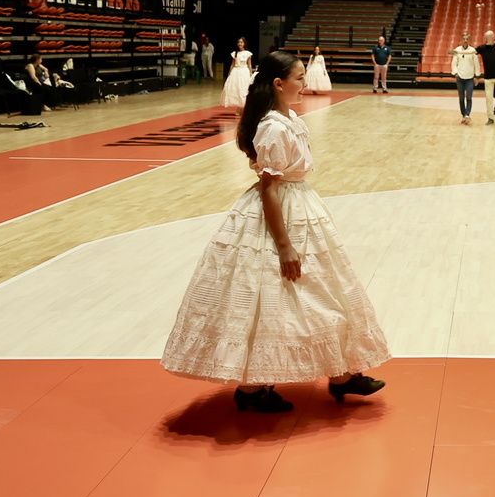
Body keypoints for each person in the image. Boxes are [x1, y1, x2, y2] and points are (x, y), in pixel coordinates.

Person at [161, 50, 390, 413]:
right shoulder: (272, 127)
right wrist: (283, 245)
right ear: (279, 84)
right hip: (282, 210)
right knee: (274, 296)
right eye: (299, 78)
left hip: (301, 206)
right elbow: (269, 189)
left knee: (322, 290)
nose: (305, 83)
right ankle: (255, 387)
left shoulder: (290, 119)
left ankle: (342, 373)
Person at [450, 31, 479, 124]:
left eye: (467, 39)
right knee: (461, 98)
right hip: (460, 78)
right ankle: (463, 115)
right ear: (461, 40)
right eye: (464, 39)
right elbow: (454, 63)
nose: (465, 40)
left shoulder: (473, 51)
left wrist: (477, 76)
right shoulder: (457, 50)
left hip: (470, 78)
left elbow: (476, 64)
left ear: (469, 40)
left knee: (469, 97)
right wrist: (455, 73)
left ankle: (467, 115)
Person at [222, 38, 254, 110]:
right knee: (236, 90)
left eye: (241, 42)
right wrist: (229, 73)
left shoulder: (247, 53)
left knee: (243, 89)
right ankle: (239, 107)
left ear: (244, 43)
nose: (240, 44)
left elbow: (249, 65)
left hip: (244, 72)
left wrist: (251, 74)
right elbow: (232, 64)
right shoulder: (235, 53)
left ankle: (243, 108)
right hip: (236, 71)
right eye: (239, 42)